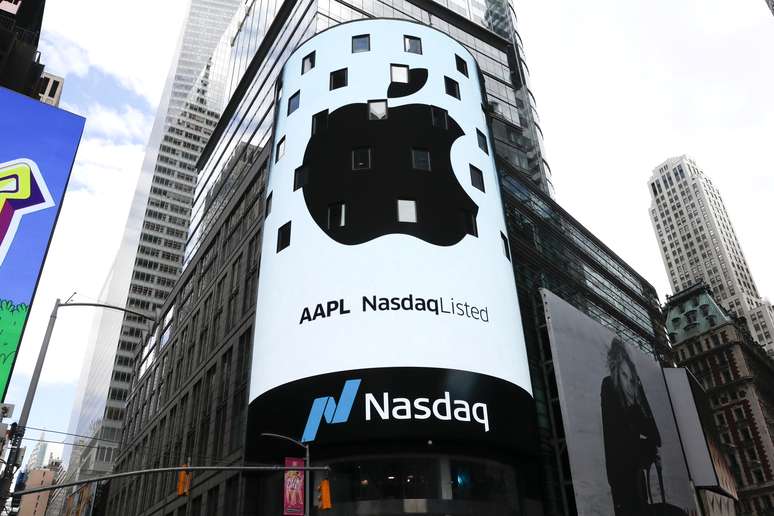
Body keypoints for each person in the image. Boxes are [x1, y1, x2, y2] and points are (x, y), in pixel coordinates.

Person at [600, 338, 661, 516]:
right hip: (619, 474)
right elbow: (616, 435)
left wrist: (637, 400)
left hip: (636, 472)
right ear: (617, 374)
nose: (628, 383)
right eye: (624, 375)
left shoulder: (634, 395)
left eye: (631, 378)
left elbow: (655, 435)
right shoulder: (609, 387)